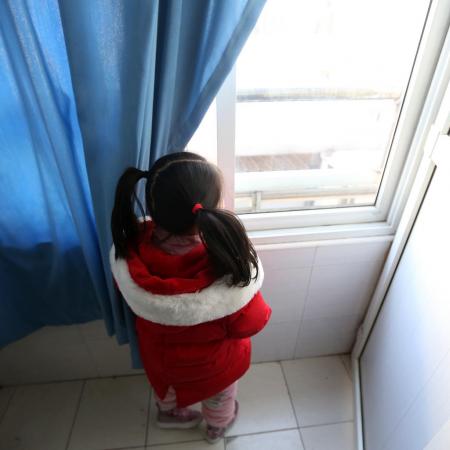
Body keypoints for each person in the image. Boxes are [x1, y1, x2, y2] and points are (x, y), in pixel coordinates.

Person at [110, 152, 271, 444]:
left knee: (168, 392)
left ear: (155, 206)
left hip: (162, 361)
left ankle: (169, 416)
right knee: (219, 399)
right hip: (213, 367)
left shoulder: (132, 251)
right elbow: (250, 323)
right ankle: (216, 429)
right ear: (209, 210)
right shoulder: (225, 264)